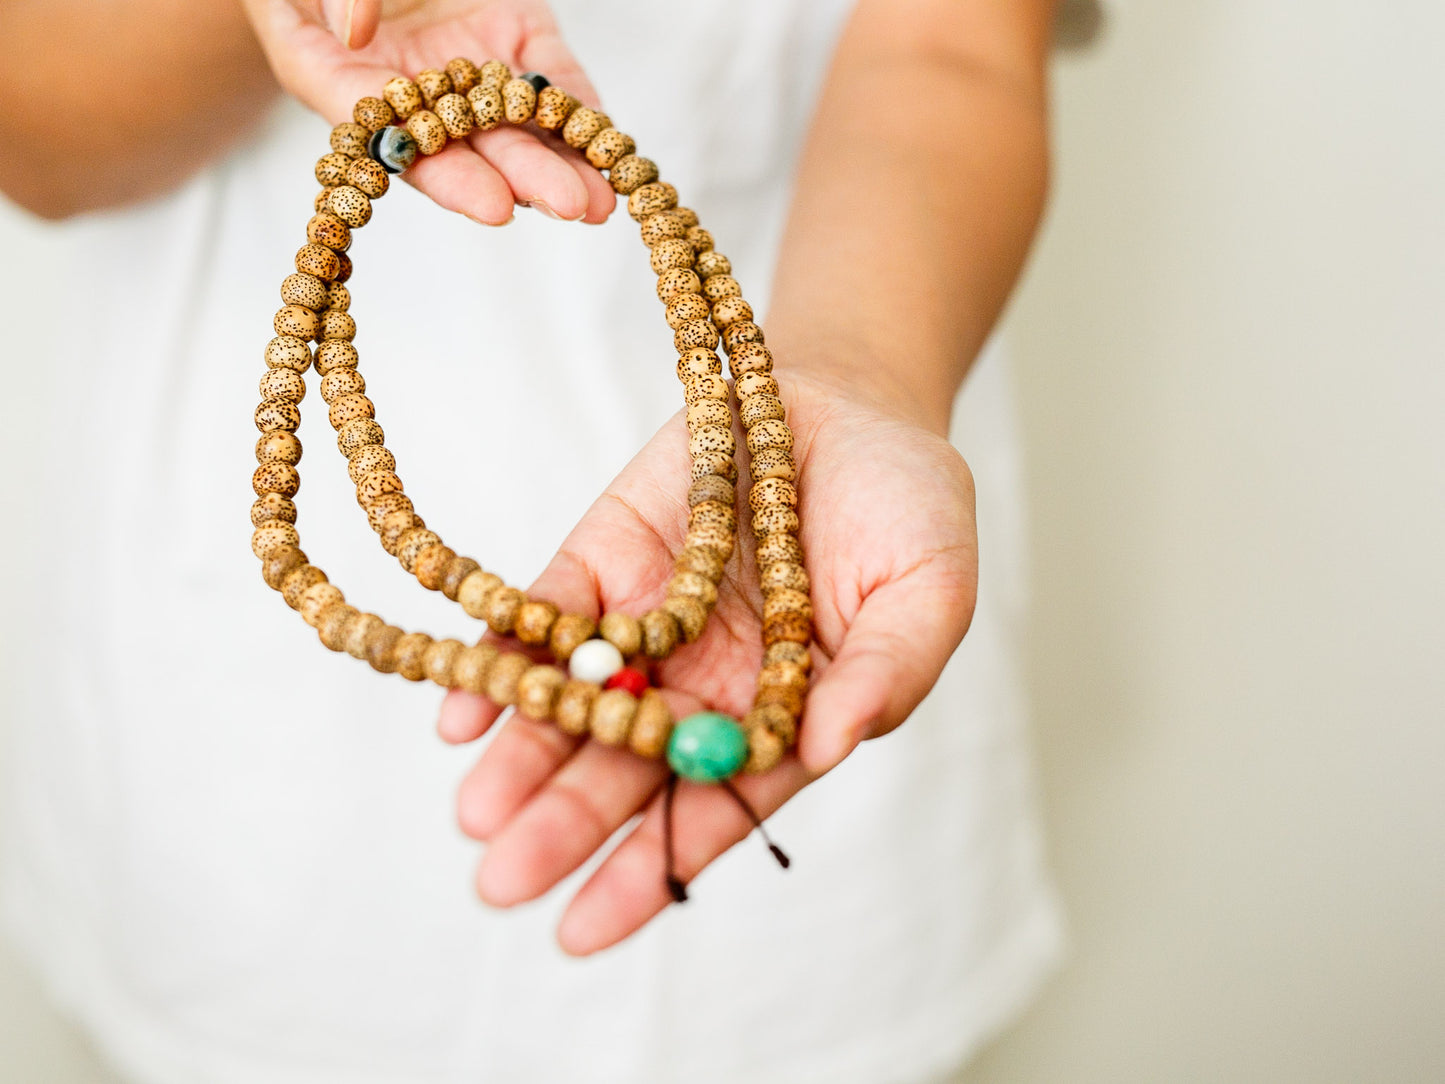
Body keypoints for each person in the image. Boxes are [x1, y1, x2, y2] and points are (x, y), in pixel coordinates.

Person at [0, 1, 1063, 1080]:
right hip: (245, 787)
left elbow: (952, 46)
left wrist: (855, 375)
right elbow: (33, 130)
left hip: (825, 659)